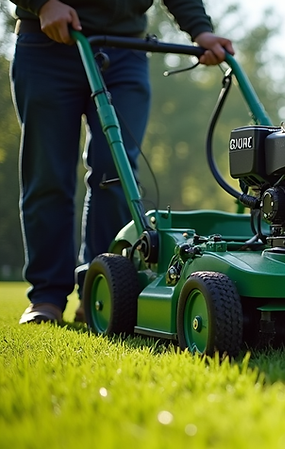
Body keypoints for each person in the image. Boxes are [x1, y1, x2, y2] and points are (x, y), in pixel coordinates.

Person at [10, 0, 234, 324]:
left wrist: (201, 30)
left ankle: (99, 290)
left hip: (125, 51)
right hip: (48, 43)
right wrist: (42, 3)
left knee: (116, 174)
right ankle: (46, 296)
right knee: (47, 175)